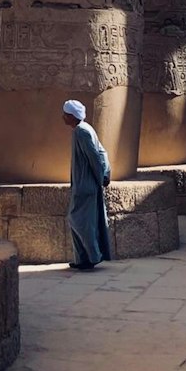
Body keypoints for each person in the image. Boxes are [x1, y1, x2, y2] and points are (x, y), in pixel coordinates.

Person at [62, 99, 111, 270]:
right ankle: (83, 258)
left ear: (71, 116)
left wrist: (100, 177)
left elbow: (94, 156)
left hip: (85, 185)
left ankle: (92, 256)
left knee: (80, 221)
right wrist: (105, 174)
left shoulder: (81, 132)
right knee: (80, 221)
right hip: (86, 184)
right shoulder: (85, 129)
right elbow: (102, 152)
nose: (63, 118)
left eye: (65, 115)